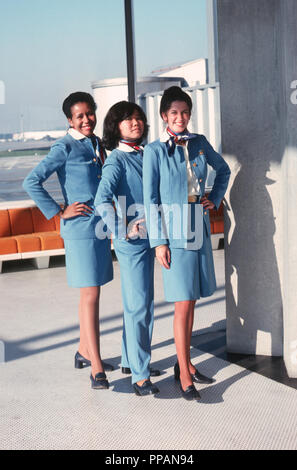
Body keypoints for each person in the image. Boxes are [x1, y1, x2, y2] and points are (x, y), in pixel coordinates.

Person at [143, 86, 231, 401]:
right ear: (164, 116)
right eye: (174, 112)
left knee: (191, 301)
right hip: (173, 235)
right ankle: (183, 373)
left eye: (184, 112)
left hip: (198, 230)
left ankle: (188, 363)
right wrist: (159, 242)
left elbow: (224, 170)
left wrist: (215, 198)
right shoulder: (154, 151)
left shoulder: (200, 143)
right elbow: (150, 199)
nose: (180, 117)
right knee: (181, 305)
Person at [23, 92, 113, 390]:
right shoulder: (64, 146)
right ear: (69, 120)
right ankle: (96, 366)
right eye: (80, 116)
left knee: (92, 293)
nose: (87, 119)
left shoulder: (96, 143)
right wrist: (60, 211)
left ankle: (84, 351)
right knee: (90, 294)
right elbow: (32, 181)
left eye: (90, 113)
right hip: (80, 229)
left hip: (99, 226)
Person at [94, 101, 160, 396]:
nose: (135, 123)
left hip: (152, 237)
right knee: (140, 306)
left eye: (138, 118)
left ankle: (129, 361)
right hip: (132, 243)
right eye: (127, 120)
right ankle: (140, 375)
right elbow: (101, 200)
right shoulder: (116, 160)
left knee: (139, 304)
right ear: (115, 126)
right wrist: (122, 230)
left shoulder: (146, 154)